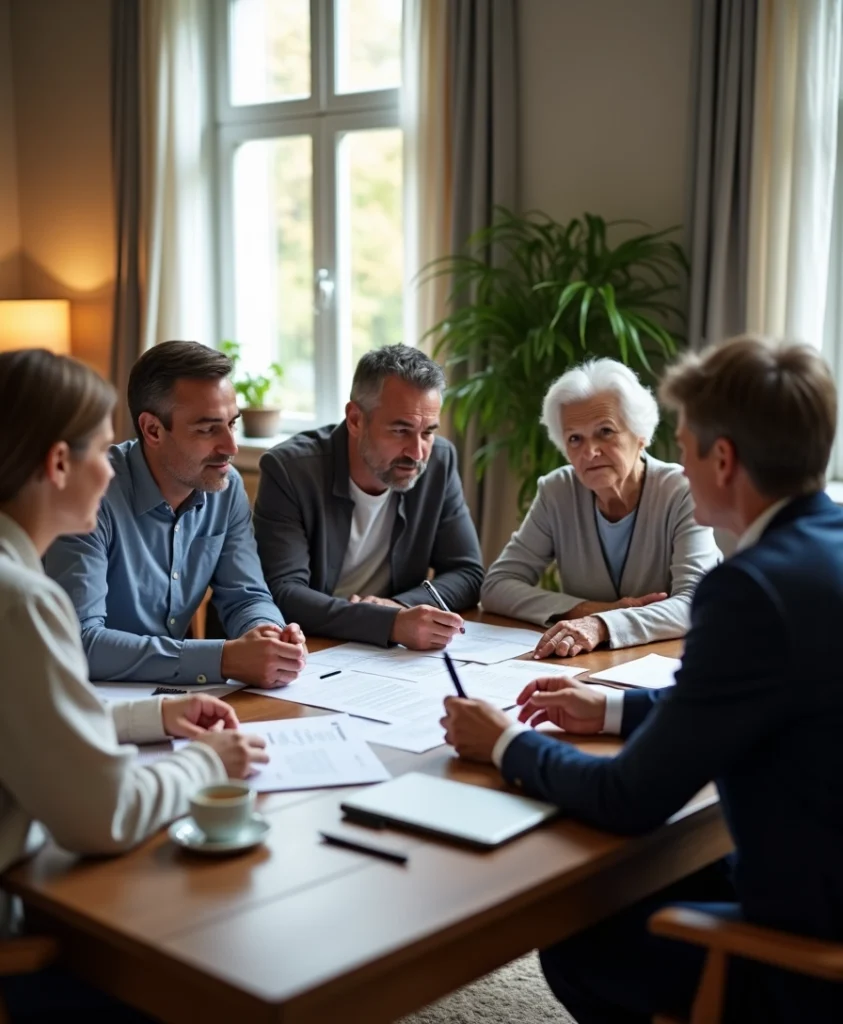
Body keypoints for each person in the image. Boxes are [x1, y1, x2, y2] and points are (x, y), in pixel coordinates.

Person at [442, 336, 843, 1022]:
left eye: (682, 448)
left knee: (577, 932)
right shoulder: (825, 544)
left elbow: (627, 797)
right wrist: (608, 712)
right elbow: (743, 697)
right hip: (823, 868)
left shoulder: (747, 590)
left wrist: (505, 743)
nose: (677, 469)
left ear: (722, 460)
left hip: (806, 959)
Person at [0, 348, 268, 1021]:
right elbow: (105, 815)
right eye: (98, 447)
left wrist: (154, 719)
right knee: (217, 957)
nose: (109, 465)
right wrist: (206, 764)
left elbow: (23, 712)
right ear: (58, 464)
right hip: (20, 926)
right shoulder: (21, 602)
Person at [46, 341, 306, 688]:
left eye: (232, 423)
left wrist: (268, 635)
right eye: (207, 428)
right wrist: (223, 658)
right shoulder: (90, 494)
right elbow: (80, 642)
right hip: (87, 699)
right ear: (153, 430)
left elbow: (247, 596)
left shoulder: (226, 489)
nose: (231, 446)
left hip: (175, 696)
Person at [481, 358, 720, 658]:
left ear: (640, 434)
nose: (590, 452)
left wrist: (602, 624)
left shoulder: (681, 490)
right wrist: (590, 611)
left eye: (605, 431)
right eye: (575, 439)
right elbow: (497, 587)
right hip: (588, 662)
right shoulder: (558, 492)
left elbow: (695, 602)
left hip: (669, 663)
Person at [254, 344, 484, 649]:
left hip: (381, 655)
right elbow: (283, 592)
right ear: (355, 420)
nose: (417, 453)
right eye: (401, 430)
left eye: (428, 432)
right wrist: (385, 622)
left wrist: (398, 606)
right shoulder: (290, 470)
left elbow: (467, 573)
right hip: (306, 648)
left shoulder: (439, 462)